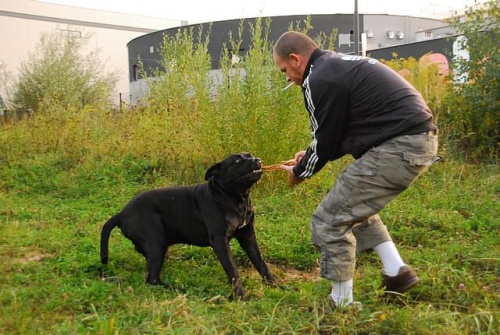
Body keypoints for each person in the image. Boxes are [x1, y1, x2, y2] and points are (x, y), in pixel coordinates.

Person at [272, 31, 440, 309]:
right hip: (414, 141)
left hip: (399, 147)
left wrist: (300, 171)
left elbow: (325, 141)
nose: (287, 77)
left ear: (295, 59)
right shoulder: (335, 66)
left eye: (284, 70)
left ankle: (341, 304)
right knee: (353, 205)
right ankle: (396, 272)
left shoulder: (318, 78)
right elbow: (336, 135)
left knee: (329, 219)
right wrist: (309, 156)